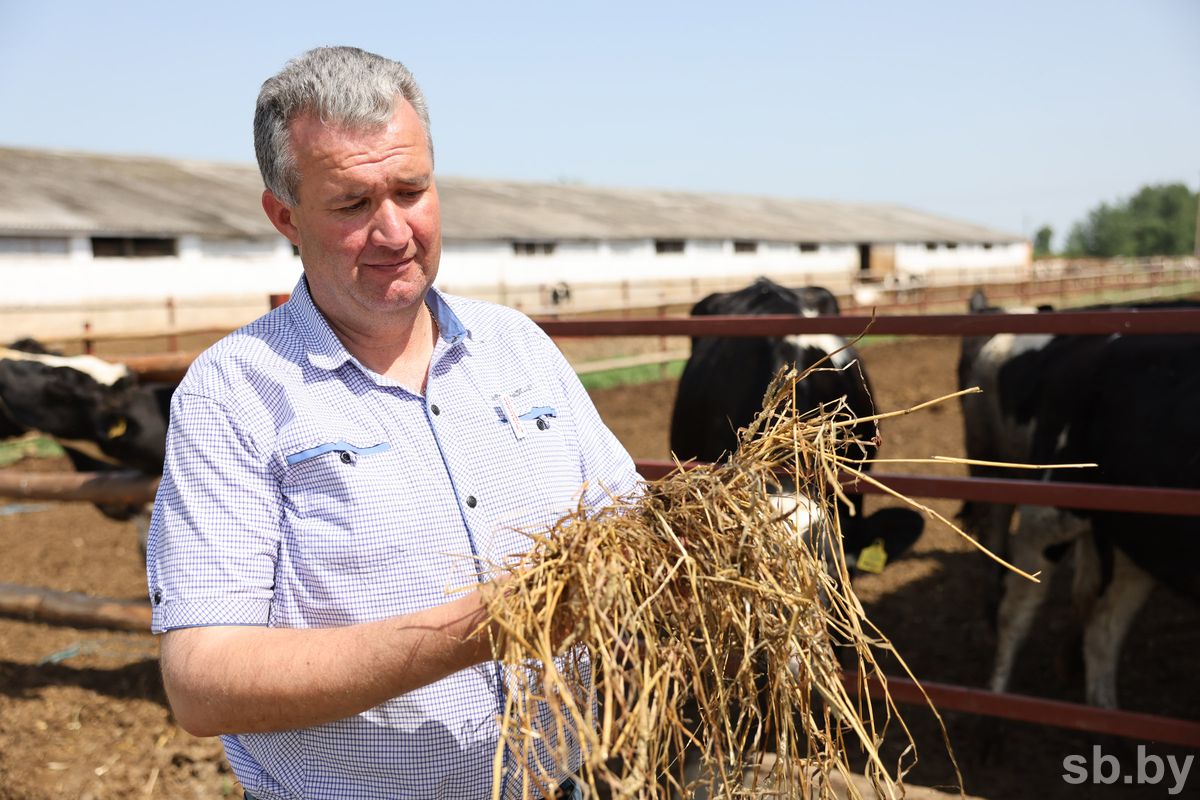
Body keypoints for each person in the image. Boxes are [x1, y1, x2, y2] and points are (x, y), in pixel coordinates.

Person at [146, 46, 640, 799]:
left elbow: (630, 532)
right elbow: (202, 682)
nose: (394, 232)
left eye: (411, 190)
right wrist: (480, 630)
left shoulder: (518, 348)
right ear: (284, 215)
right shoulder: (233, 393)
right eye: (352, 203)